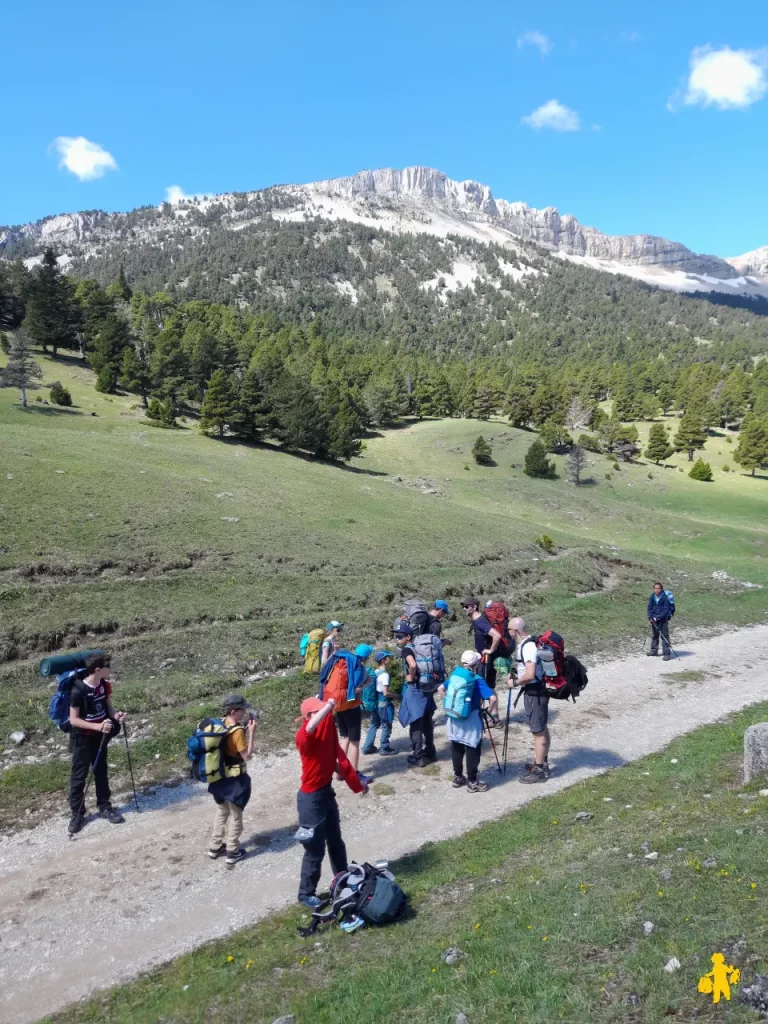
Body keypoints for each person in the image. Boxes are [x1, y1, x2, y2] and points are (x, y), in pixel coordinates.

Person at [295, 695, 367, 910]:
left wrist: (357, 783)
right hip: (310, 800)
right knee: (314, 850)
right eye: (319, 712)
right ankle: (305, 894)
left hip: (325, 794)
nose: (326, 715)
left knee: (336, 841)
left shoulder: (325, 735)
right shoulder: (304, 736)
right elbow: (308, 729)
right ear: (308, 716)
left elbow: (334, 763)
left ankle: (342, 878)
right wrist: (327, 705)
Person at [68, 652, 126, 835]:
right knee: (79, 776)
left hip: (100, 736)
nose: (110, 669)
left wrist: (116, 716)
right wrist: (98, 726)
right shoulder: (78, 690)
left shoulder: (104, 685)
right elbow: (73, 720)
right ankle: (77, 814)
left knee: (101, 771)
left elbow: (108, 708)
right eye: (107, 667)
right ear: (98, 670)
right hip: (82, 738)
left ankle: (104, 807)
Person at [208, 694, 257, 865]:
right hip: (234, 779)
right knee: (236, 815)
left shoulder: (220, 724)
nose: (245, 712)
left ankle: (215, 847)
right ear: (234, 711)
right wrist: (251, 732)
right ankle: (232, 851)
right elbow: (246, 756)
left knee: (222, 811)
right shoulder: (237, 731)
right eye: (243, 709)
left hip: (219, 778)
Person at [439, 650, 492, 793]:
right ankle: (473, 782)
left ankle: (458, 777)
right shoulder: (477, 679)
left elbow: (440, 688)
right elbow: (492, 698)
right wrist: (489, 711)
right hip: (472, 718)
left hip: (454, 717)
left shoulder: (456, 676)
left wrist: (448, 704)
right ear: (476, 664)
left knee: (457, 746)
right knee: (473, 749)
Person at [506, 617, 550, 783]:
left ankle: (539, 770)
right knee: (542, 727)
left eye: (510, 630)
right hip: (538, 690)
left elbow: (530, 674)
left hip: (535, 693)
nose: (508, 633)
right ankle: (542, 762)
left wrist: (515, 682)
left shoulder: (528, 647)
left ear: (516, 631)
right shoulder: (529, 644)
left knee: (538, 731)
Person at [394, 624, 437, 768]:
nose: (397, 639)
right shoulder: (421, 648)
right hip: (428, 688)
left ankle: (418, 756)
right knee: (427, 721)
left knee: (416, 723)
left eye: (400, 636)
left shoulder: (407, 649)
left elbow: (412, 666)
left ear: (408, 637)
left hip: (416, 688)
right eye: (396, 636)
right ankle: (431, 751)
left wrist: (411, 678)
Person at [460, 596, 504, 722]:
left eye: (467, 606)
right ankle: (494, 717)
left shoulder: (480, 621)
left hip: (486, 659)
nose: (464, 609)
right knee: (490, 686)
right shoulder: (479, 620)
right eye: (463, 606)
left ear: (474, 607)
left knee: (483, 687)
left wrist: (490, 650)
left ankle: (483, 717)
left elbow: (497, 636)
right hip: (487, 658)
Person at [361, 650, 396, 756]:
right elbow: (385, 693)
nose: (390, 659)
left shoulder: (375, 672)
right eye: (388, 657)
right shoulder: (385, 675)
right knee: (386, 724)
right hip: (383, 702)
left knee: (374, 723)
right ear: (383, 660)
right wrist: (396, 695)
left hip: (375, 702)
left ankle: (367, 747)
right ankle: (384, 747)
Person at [647, 582, 672, 661]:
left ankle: (666, 654)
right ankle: (653, 651)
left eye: (658, 588)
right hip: (654, 619)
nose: (657, 590)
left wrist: (657, 617)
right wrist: (650, 617)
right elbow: (649, 607)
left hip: (663, 620)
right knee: (655, 635)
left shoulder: (665, 597)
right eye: (655, 588)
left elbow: (665, 610)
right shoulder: (652, 596)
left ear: (661, 589)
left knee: (664, 636)